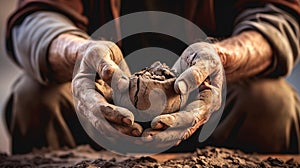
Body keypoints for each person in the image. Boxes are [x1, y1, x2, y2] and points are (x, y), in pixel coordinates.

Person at [5, 0, 300, 154]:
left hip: (211, 101)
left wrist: (222, 58)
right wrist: (79, 52)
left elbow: (279, 18)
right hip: (105, 106)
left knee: (272, 103)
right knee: (35, 97)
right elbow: (35, 18)